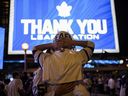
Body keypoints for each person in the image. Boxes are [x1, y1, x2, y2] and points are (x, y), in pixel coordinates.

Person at [32, 31, 95, 96]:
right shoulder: (79, 56)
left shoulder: (45, 59)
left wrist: (53, 44)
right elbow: (91, 45)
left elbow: (35, 49)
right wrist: (72, 42)